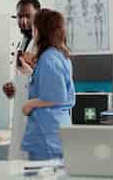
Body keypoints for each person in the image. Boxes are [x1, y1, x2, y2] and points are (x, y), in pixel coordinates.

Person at [20, 9, 76, 161]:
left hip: (47, 130)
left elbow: (56, 97)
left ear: (39, 30)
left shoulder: (48, 58)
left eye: (34, 27)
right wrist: (33, 73)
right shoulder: (60, 55)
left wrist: (28, 105)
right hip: (57, 127)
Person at [2, 0, 41, 160]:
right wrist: (12, 89)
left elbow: (45, 79)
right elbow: (23, 78)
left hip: (36, 111)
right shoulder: (23, 41)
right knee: (19, 162)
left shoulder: (42, 44)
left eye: (28, 16)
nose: (23, 21)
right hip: (21, 112)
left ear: (38, 15)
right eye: (20, 16)